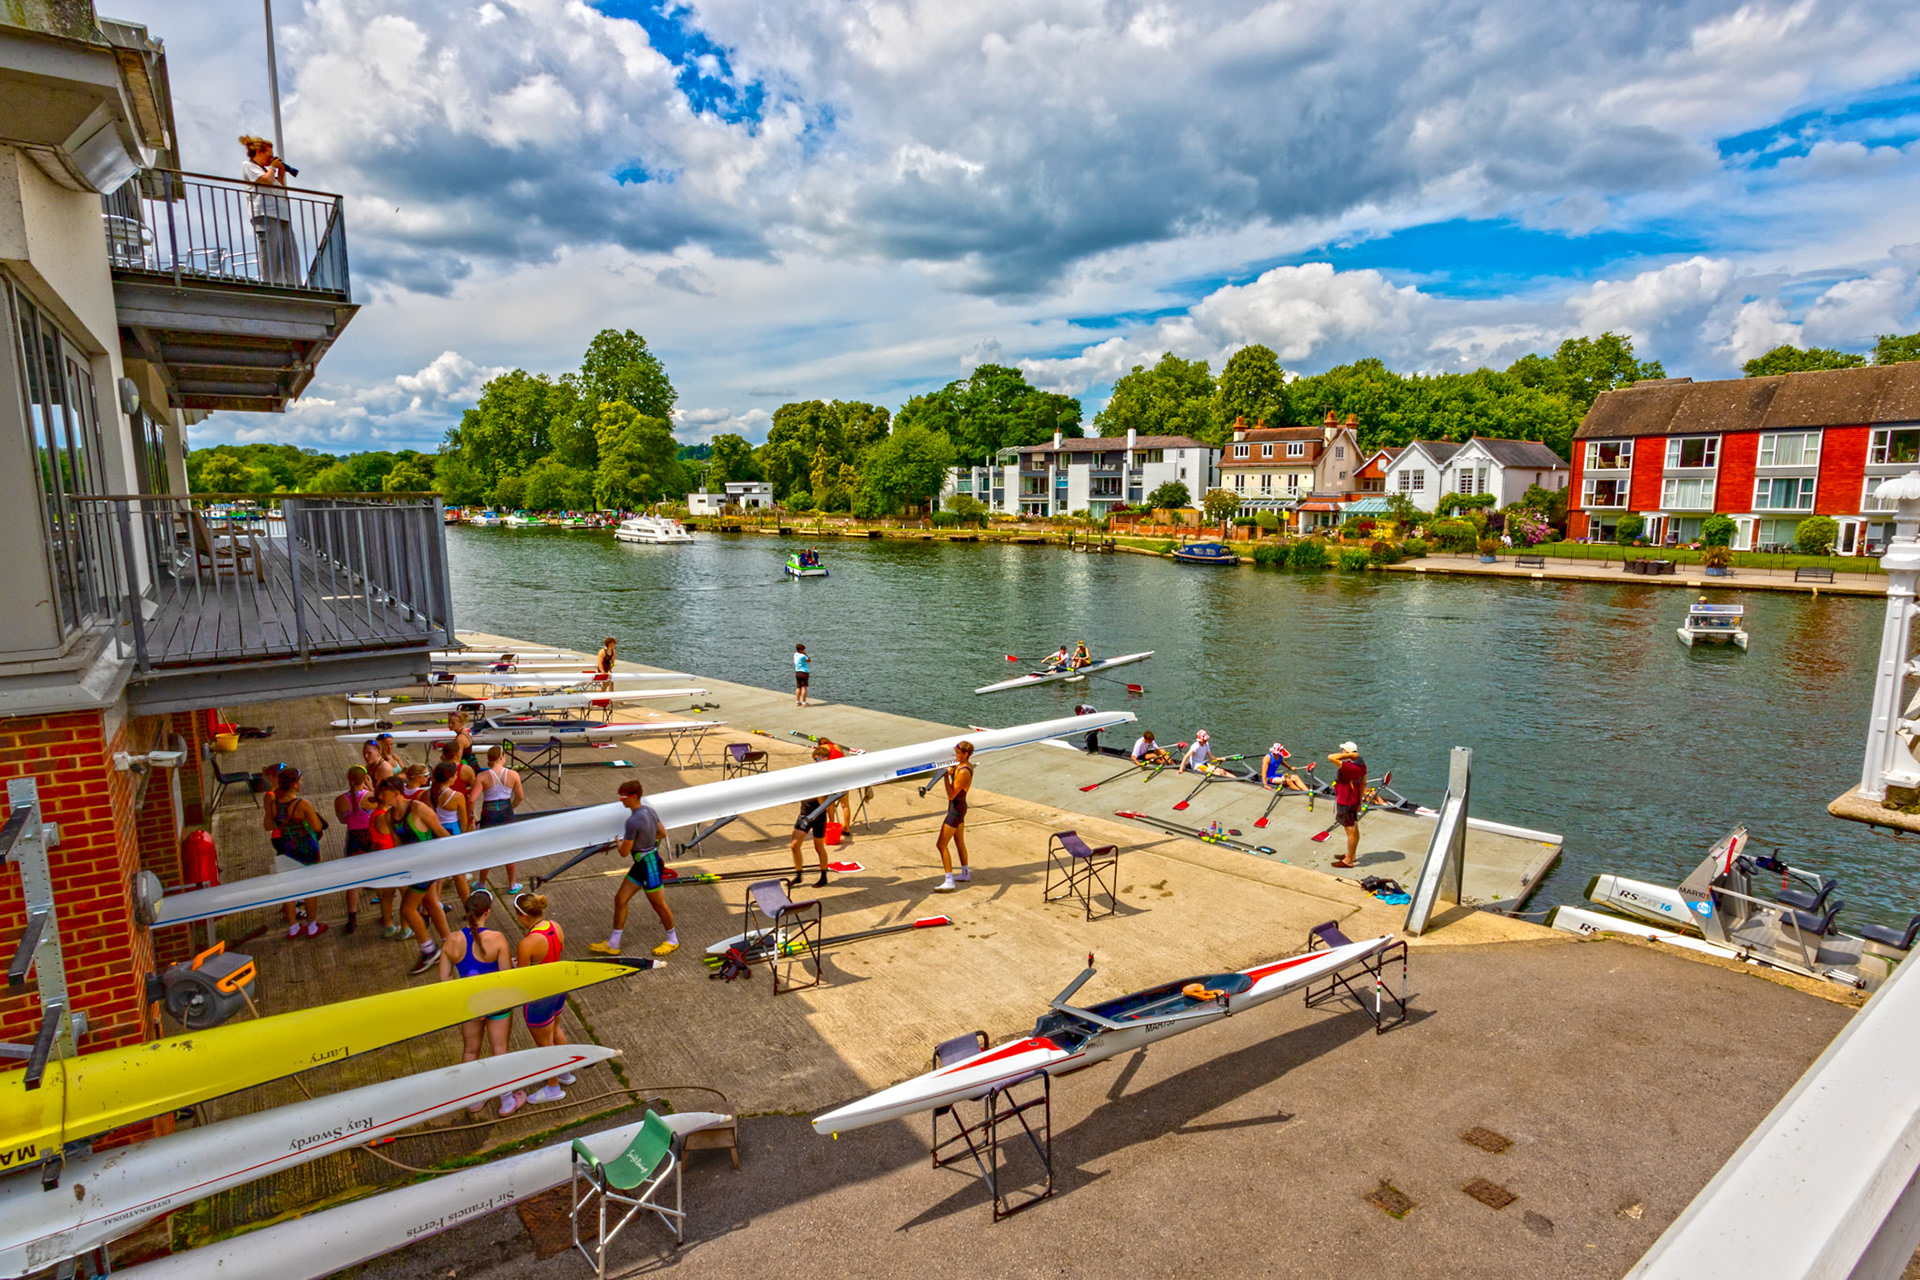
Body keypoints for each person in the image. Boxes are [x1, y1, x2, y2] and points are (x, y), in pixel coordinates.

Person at [438, 889, 527, 1117]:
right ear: (487, 912)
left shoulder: (451, 941)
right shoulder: (497, 939)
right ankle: (507, 1101)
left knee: (470, 1050)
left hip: (469, 1006)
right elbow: (506, 976)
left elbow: (445, 980)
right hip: (497, 1004)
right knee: (500, 1050)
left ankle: (473, 1099)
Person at [590, 779, 678, 957]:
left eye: (623, 797)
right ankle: (614, 943)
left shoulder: (632, 822)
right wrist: (646, 840)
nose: (621, 800)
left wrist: (619, 843)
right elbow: (662, 833)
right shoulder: (650, 811)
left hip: (649, 867)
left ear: (634, 796)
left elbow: (624, 852)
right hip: (643, 863)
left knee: (659, 905)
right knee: (620, 899)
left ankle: (672, 940)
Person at [378, 776, 454, 974]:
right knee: (431, 903)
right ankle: (449, 942)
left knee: (407, 909)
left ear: (396, 793)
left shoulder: (419, 809)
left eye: (383, 793)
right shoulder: (389, 816)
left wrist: (457, 855)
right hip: (414, 869)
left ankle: (429, 950)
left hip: (428, 866)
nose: (380, 797)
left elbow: (440, 832)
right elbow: (397, 845)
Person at [513, 891, 573, 1104]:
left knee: (545, 1045)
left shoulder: (527, 943)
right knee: (556, 1031)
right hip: (558, 989)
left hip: (539, 998)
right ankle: (565, 1072)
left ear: (522, 916)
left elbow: (522, 978)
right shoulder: (555, 926)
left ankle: (553, 1088)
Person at [264, 766, 328, 939]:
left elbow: (268, 825)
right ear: (294, 784)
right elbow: (317, 827)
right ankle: (312, 926)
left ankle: (293, 927)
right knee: (310, 887)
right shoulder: (302, 804)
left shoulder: (274, 804)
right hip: (305, 848)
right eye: (300, 780)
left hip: (284, 847)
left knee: (289, 888)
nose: (302, 783)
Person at [239, 135, 300, 285]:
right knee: (271, 252)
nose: (271, 159)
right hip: (265, 214)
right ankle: (271, 283)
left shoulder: (268, 172)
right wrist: (272, 168)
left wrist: (281, 175)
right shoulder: (249, 166)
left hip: (282, 216)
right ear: (260, 152)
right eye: (270, 155)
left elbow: (282, 195)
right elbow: (265, 181)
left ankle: (294, 284)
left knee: (290, 253)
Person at [335, 765, 387, 937]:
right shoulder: (371, 796)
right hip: (370, 836)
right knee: (379, 875)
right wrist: (371, 787)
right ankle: (385, 915)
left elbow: (343, 820)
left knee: (353, 881)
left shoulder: (340, 800)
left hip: (353, 839)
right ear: (365, 778)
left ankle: (352, 918)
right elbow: (383, 809)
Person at [470, 744, 525, 892]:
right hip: (506, 811)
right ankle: (512, 884)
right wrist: (511, 807)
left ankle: (482, 883)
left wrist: (470, 814)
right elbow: (520, 796)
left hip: (489, 812)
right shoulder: (513, 775)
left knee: (488, 848)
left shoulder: (482, 776)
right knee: (509, 848)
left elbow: (472, 799)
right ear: (502, 757)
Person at [790, 745, 834, 886]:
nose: (815, 762)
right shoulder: (812, 773)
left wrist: (832, 821)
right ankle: (798, 874)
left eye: (818, 760)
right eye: (814, 759)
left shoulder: (828, 777)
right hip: (804, 813)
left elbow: (825, 802)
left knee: (818, 847)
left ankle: (823, 876)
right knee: (794, 845)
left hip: (818, 815)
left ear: (826, 760)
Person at [935, 741, 974, 892]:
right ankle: (965, 873)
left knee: (941, 844)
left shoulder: (964, 772)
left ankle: (949, 881)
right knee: (959, 841)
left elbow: (951, 795)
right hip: (959, 807)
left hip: (956, 811)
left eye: (958, 753)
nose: (955, 755)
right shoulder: (963, 766)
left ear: (966, 754)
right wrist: (951, 772)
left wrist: (945, 777)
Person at [1329, 742, 1367, 869]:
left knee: (1350, 831)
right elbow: (1363, 783)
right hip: (1354, 800)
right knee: (1354, 828)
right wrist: (1360, 801)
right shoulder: (1361, 765)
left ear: (1347, 752)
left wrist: (1348, 755)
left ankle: (1348, 861)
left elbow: (1331, 757)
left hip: (1346, 801)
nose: (1342, 752)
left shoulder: (1349, 766)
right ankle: (1351, 855)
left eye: (1343, 750)